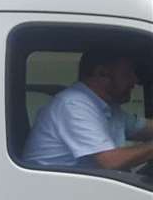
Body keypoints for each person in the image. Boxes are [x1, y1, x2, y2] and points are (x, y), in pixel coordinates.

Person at [20, 50, 153, 172]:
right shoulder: (74, 104)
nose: (135, 81)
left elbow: (143, 129)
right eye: (127, 74)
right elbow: (110, 161)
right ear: (101, 73)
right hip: (55, 194)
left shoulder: (108, 108)